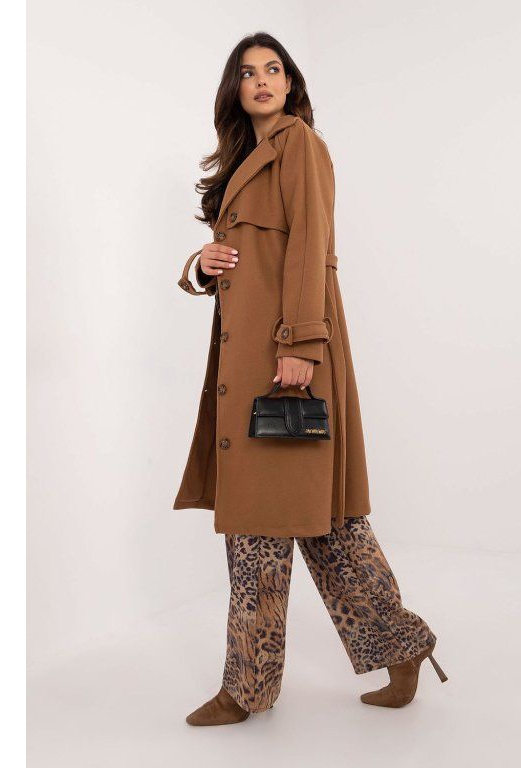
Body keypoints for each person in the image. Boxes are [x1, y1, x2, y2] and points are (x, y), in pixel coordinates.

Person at [174, 32, 447, 726]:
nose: (262, 80)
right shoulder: (247, 159)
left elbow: (311, 249)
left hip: (289, 358)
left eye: (274, 69)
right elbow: (243, 259)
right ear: (235, 90)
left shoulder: (299, 145)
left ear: (291, 83)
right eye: (248, 72)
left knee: (269, 521)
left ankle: (247, 687)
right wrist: (201, 264)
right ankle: (400, 644)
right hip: (252, 361)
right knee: (319, 520)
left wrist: (300, 344)